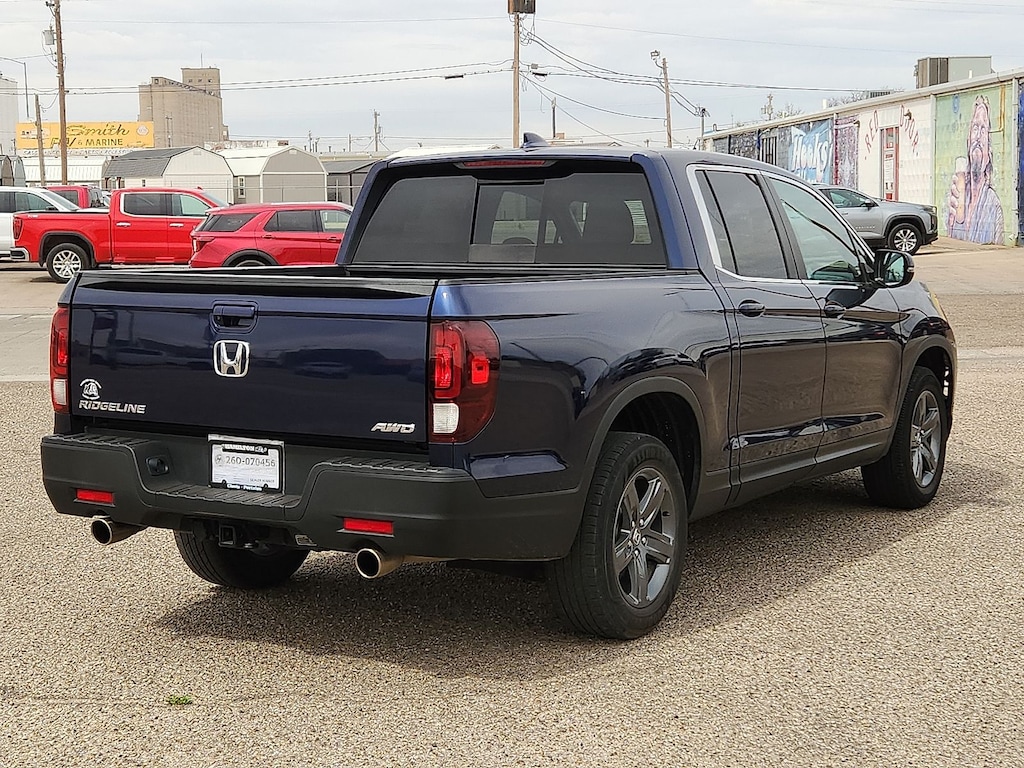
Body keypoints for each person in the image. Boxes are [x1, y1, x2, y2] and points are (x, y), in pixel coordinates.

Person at [946, 95, 1004, 244]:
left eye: (983, 130)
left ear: (989, 152)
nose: (977, 136)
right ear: (968, 142)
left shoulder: (993, 204)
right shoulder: (957, 195)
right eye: (975, 128)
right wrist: (950, 224)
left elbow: (998, 248)